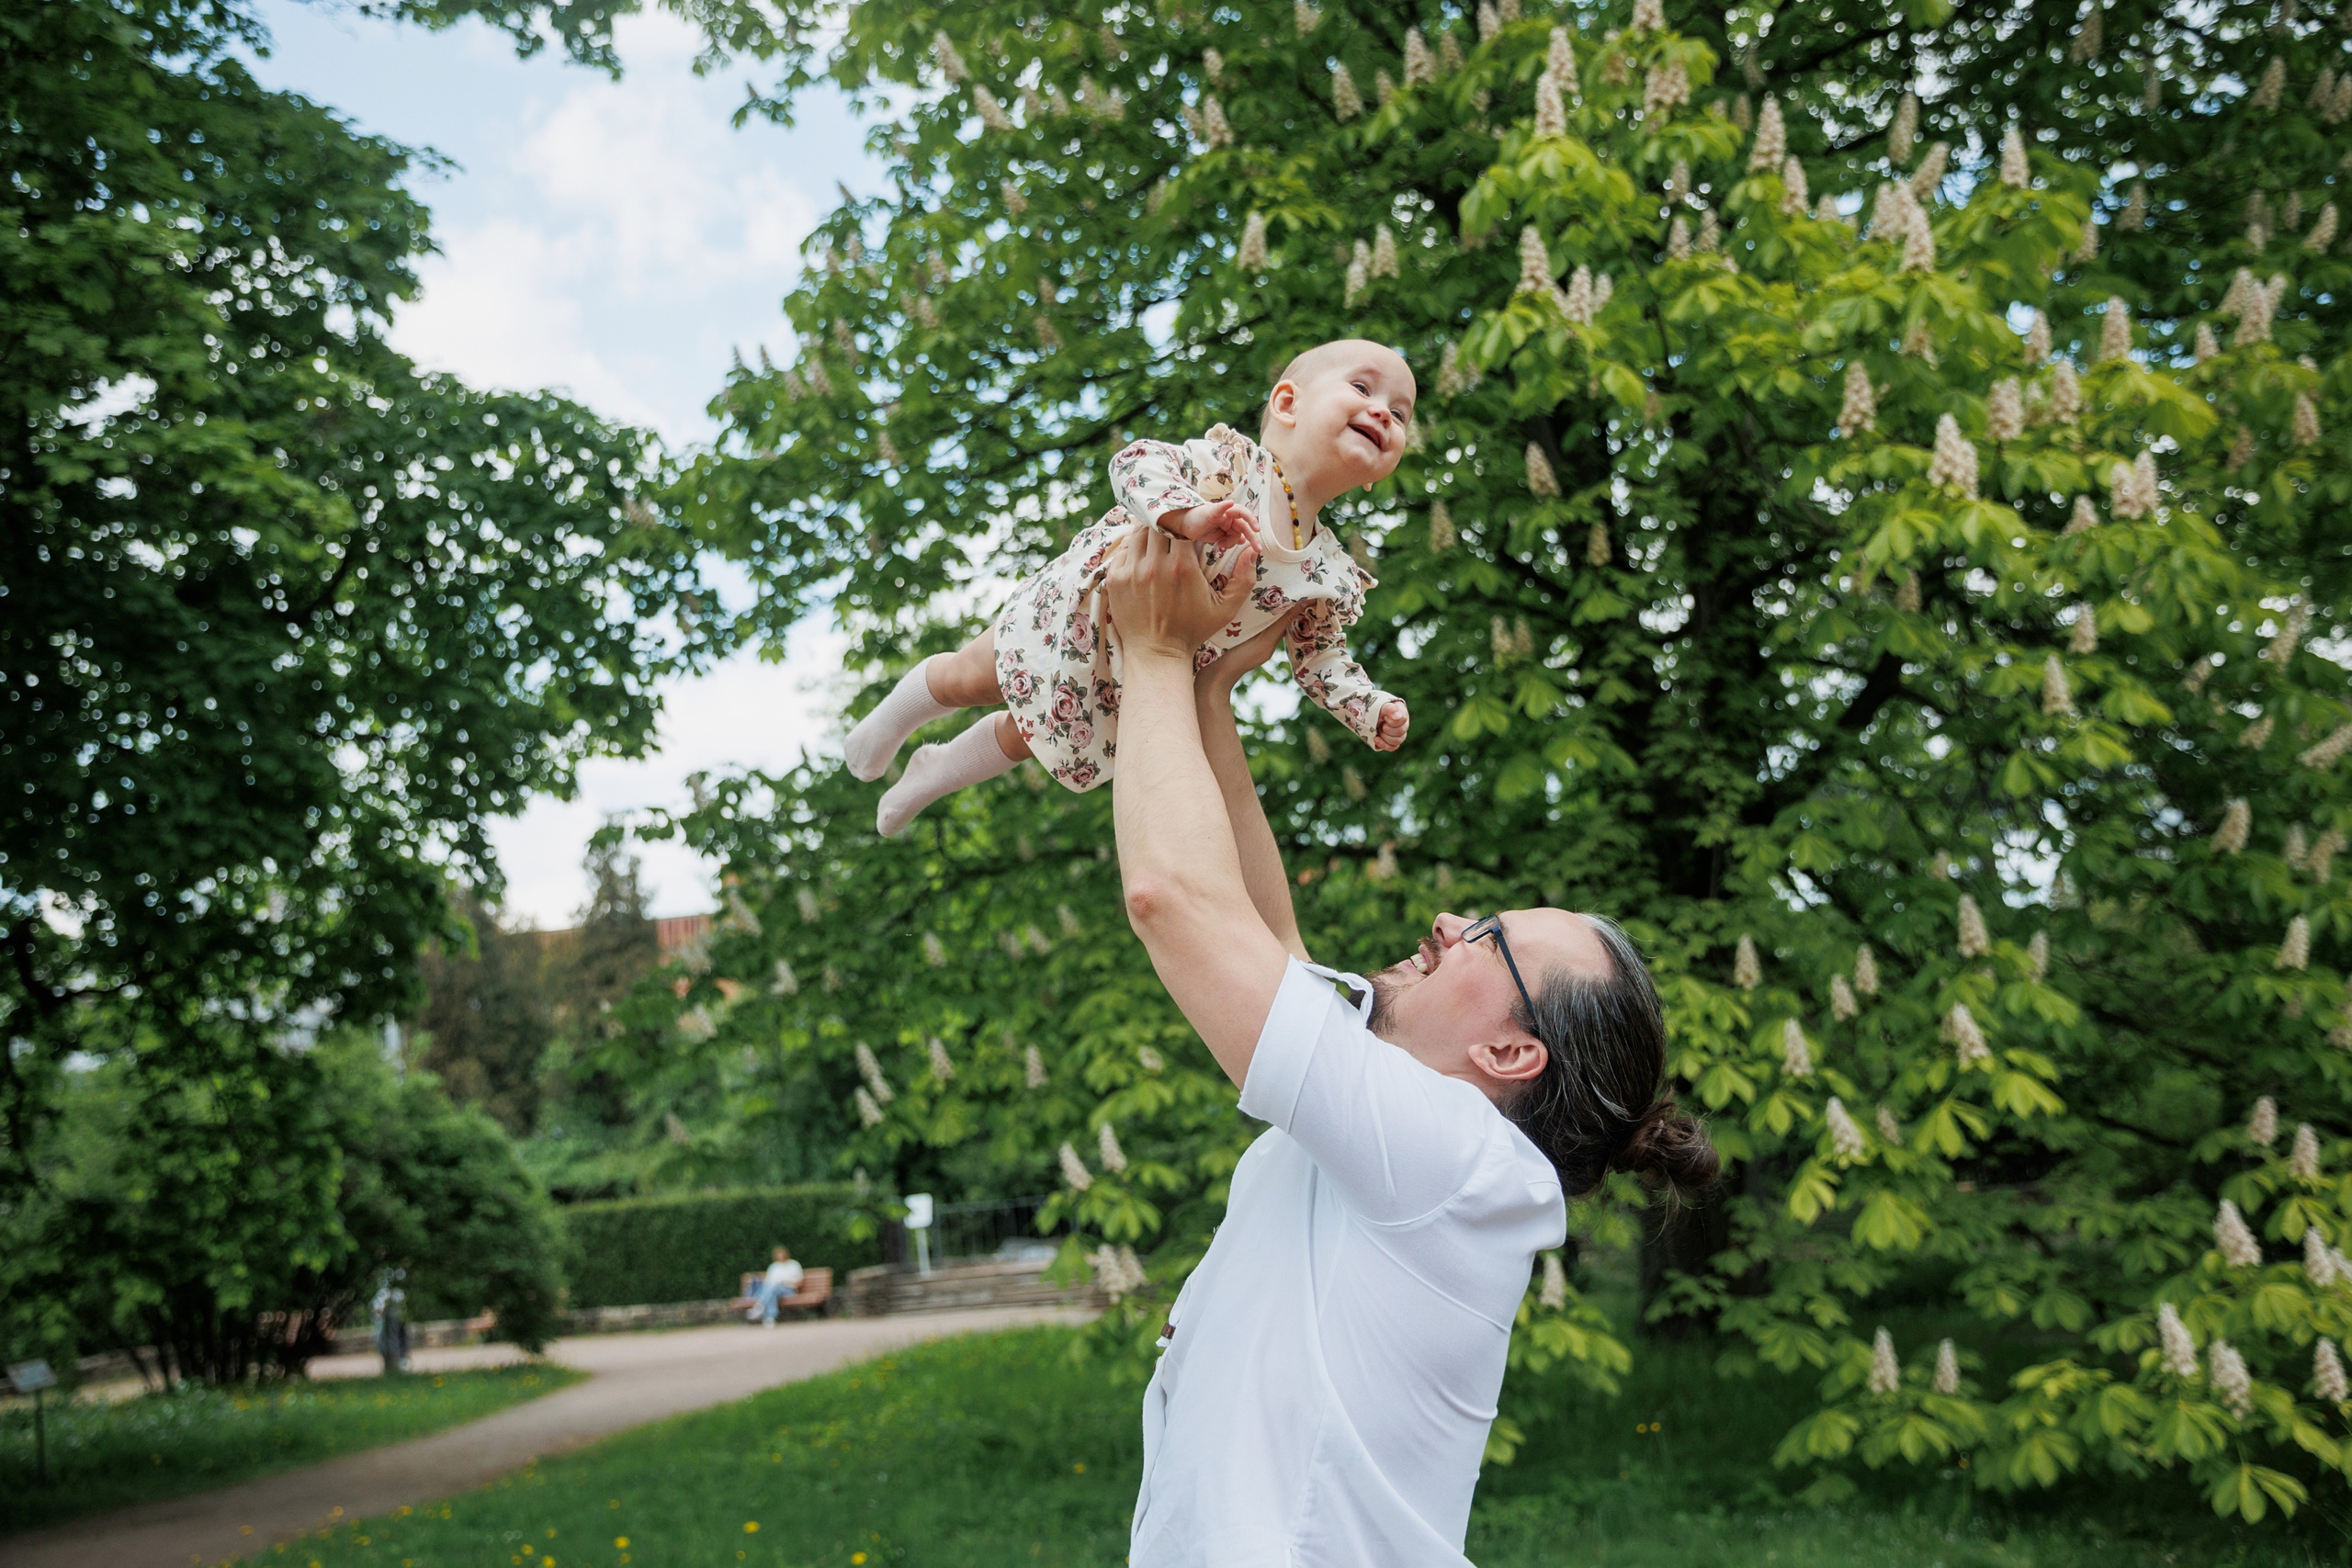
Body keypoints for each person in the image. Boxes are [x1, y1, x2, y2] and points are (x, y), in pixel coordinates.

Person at [1095, 525, 1718, 1566]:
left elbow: (1176, 902)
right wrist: (1205, 692)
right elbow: (1262, 935)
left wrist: (1151, 653)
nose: (1447, 924)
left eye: (1488, 942)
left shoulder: (1460, 1161)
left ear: (1513, 1058)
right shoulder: (1415, 1136)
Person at [842, 340, 1415, 836]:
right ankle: (892, 718)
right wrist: (1185, 516)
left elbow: (1320, 658)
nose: (1383, 413)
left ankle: (933, 774)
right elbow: (1135, 463)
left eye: (1400, 412)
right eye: (1363, 388)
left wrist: (1370, 708)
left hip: (1143, 670)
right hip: (1081, 608)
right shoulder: (1234, 465)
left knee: (1033, 739)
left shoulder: (1328, 572)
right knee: (971, 676)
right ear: (1287, 404)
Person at [744, 1247, 805, 1325]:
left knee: (772, 1289)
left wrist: (789, 1284)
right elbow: (768, 1282)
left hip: (789, 1290)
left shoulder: (793, 1265)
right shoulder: (773, 1267)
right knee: (772, 1291)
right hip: (774, 1290)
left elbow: (800, 1281)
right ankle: (770, 1318)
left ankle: (759, 1307)